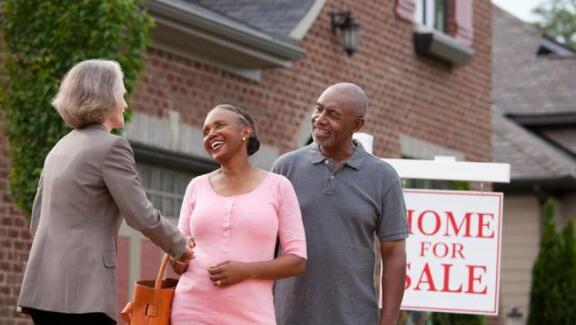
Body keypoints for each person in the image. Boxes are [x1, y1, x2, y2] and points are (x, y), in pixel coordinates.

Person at [17, 59, 194, 325]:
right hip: (82, 292)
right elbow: (140, 214)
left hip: (43, 289)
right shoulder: (112, 148)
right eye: (122, 94)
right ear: (106, 97)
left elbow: (37, 222)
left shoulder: (59, 149)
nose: (125, 102)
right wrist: (181, 247)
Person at [273, 83, 408, 325]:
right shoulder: (285, 168)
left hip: (354, 317)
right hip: (287, 315)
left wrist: (388, 321)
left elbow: (394, 253)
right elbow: (268, 244)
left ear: (357, 125)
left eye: (332, 115)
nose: (320, 119)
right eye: (319, 109)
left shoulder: (383, 177)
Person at [170, 104, 307, 325]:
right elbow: (178, 264)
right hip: (191, 311)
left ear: (246, 132)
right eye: (206, 131)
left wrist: (246, 270)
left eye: (219, 125)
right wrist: (177, 253)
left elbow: (297, 261)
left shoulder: (278, 186)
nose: (211, 134)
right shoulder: (196, 186)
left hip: (251, 314)